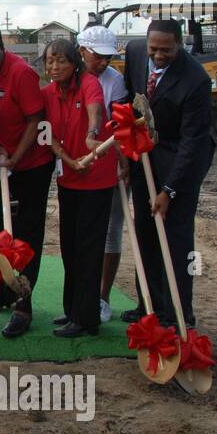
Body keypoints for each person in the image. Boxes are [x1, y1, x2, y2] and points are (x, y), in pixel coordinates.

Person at [121, 17, 214, 330]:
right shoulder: (135, 52)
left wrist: (169, 190)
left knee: (175, 241)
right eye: (154, 49)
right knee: (145, 232)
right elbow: (130, 98)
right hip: (144, 158)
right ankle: (149, 304)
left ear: (180, 45)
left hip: (180, 164)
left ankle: (178, 314)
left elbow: (193, 142)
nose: (158, 56)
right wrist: (127, 151)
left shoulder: (196, 80)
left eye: (167, 51)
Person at [0, 21, 54, 338]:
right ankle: (2, 291)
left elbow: (35, 120)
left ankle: (23, 305)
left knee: (25, 235)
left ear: (3, 48)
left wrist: (16, 157)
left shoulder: (21, 73)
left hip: (31, 164)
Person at [42, 39, 117, 338]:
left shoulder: (89, 83)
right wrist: (67, 160)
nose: (55, 67)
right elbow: (48, 135)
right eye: (50, 61)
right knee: (69, 246)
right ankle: (73, 309)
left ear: (75, 62)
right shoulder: (48, 93)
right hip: (69, 176)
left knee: (88, 248)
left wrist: (91, 135)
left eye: (61, 61)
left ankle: (87, 319)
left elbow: (95, 109)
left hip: (96, 178)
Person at [78, 24, 128, 324]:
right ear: (82, 51)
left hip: (108, 161)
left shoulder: (115, 81)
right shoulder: (68, 76)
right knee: (81, 231)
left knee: (111, 228)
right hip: (77, 164)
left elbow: (119, 125)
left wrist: (123, 160)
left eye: (108, 57)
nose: (104, 62)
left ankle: (102, 296)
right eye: (98, 56)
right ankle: (79, 296)